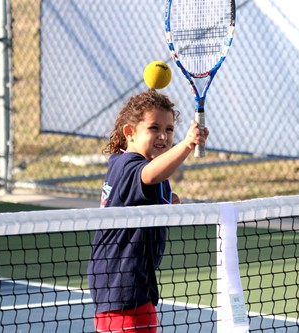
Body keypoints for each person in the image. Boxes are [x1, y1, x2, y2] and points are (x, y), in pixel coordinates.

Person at [87, 89, 209, 332]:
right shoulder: (129, 165)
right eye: (154, 128)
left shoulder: (135, 165)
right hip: (121, 283)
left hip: (135, 281)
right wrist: (187, 143)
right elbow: (150, 175)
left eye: (169, 129)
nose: (163, 135)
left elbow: (147, 190)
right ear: (130, 133)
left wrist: (168, 202)